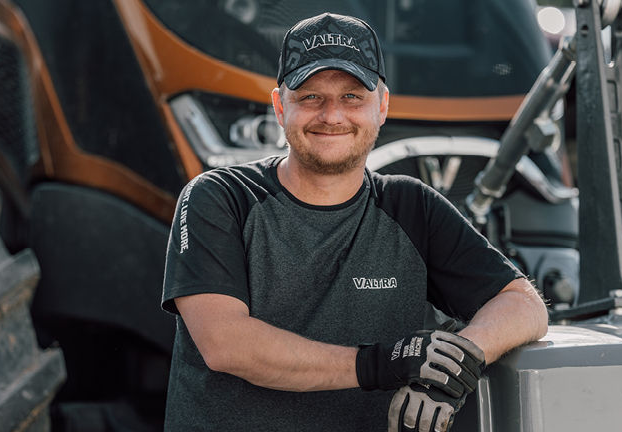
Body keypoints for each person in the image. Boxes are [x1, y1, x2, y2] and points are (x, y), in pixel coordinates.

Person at [161, 12, 548, 432]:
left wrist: (453, 365)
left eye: (352, 97)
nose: (332, 115)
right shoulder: (221, 197)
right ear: (280, 106)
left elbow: (523, 304)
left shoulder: (411, 206)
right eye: (311, 96)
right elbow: (225, 344)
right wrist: (383, 363)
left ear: (382, 106)